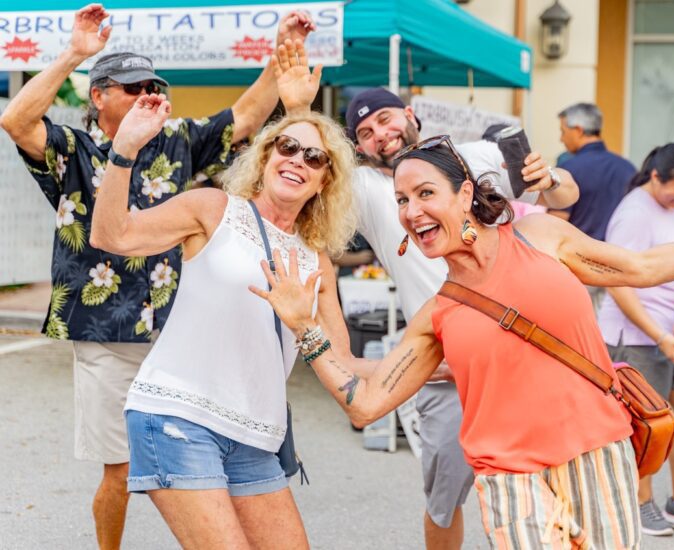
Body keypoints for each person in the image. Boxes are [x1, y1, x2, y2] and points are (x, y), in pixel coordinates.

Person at [254, 135, 674, 549]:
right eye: (401, 201)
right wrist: (307, 329)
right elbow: (366, 406)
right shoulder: (438, 314)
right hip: (510, 479)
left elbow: (643, 268)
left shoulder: (542, 239)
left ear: (464, 193)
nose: (411, 211)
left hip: (597, 454)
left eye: (425, 193)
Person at [0, 4, 314, 548]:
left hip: (179, 333)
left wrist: (275, 61)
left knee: (206, 463)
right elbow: (16, 121)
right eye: (131, 86)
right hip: (105, 333)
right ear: (98, 97)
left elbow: (242, 118)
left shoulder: (178, 141)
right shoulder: (75, 148)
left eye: (154, 84)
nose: (147, 92)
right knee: (119, 471)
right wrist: (76, 53)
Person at [88, 39, 358, 547]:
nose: (297, 158)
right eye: (287, 146)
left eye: (315, 156)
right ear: (265, 155)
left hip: (256, 437)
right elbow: (112, 235)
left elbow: (343, 364)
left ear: (325, 180)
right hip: (178, 415)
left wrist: (443, 360)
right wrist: (124, 151)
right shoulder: (213, 209)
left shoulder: (315, 259)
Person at [345, 87, 579, 549]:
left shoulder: (474, 156)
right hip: (444, 373)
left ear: (410, 114)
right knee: (444, 500)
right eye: (366, 133)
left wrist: (549, 177)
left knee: (540, 489)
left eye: (387, 120)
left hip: (518, 359)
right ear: (359, 148)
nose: (382, 136)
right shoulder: (372, 192)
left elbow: (567, 193)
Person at [598, 144, 674, 537]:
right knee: (647, 421)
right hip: (640, 332)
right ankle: (639, 501)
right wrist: (658, 334)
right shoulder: (633, 212)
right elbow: (617, 282)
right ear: (655, 177)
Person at [548, 103, 636, 310]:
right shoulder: (627, 168)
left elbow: (555, 221)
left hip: (579, 266)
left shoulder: (568, 170)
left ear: (578, 130)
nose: (561, 138)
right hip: (619, 267)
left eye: (563, 131)